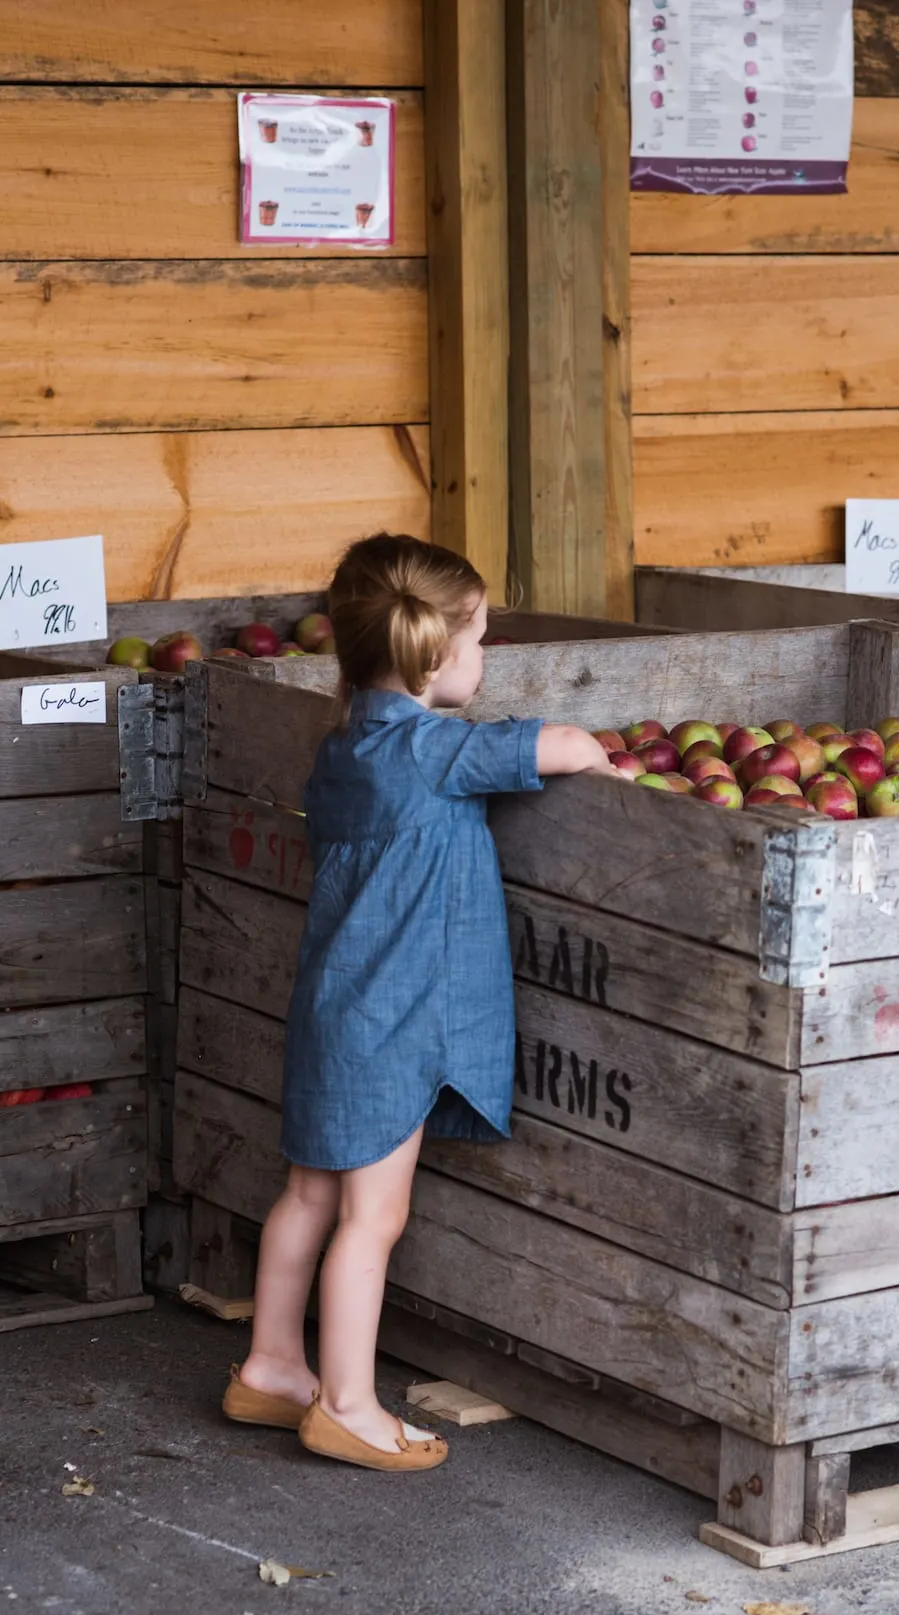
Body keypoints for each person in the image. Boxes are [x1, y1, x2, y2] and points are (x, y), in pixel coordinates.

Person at [220, 533, 610, 1471]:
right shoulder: (440, 751)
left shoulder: (341, 747)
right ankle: (348, 1403)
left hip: (333, 1006)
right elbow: (563, 743)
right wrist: (605, 760)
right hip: (397, 1021)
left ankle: (272, 1364)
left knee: (309, 1193)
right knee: (374, 1220)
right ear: (435, 655)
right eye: (479, 643)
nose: (484, 662)